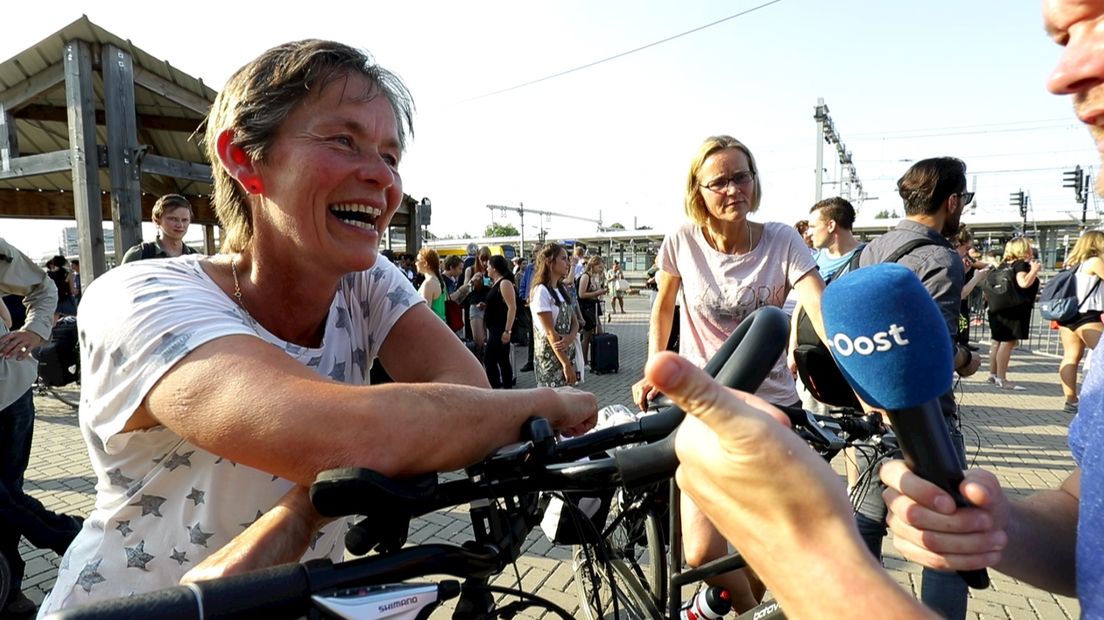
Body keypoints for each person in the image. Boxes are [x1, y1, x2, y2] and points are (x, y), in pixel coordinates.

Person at [38, 40, 596, 613]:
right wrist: (555, 401)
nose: (382, 178)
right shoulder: (142, 297)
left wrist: (308, 506)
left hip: (304, 601)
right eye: (343, 140)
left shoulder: (364, 280)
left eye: (391, 156)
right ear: (245, 158)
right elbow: (351, 437)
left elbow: (466, 391)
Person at [630, 135, 827, 613]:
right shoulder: (682, 240)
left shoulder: (781, 238)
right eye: (719, 181)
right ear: (698, 191)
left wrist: (855, 367)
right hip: (703, 409)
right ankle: (745, 608)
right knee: (699, 552)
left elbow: (817, 304)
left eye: (742, 176)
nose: (733, 188)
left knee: (772, 545)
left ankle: (744, 604)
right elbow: (663, 307)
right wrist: (655, 366)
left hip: (773, 406)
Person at [855, 157, 983, 620]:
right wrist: (969, 360)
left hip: (874, 412)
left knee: (866, 521)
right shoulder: (940, 258)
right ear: (951, 201)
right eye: (964, 200)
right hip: (927, 421)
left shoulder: (870, 251)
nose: (963, 208)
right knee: (947, 542)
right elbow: (935, 350)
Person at [0, 239, 82, 619]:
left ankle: (11, 588)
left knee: (8, 493)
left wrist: (34, 330)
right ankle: (71, 536)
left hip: (8, 394)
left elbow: (42, 287)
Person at [1056, 231, 1104, 414]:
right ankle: (1095, 397)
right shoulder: (1095, 262)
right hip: (1088, 316)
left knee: (1070, 357)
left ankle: (1071, 399)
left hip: (1069, 316)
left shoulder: (1073, 263)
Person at [984, 238, 1041, 390]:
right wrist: (1034, 271)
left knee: (997, 341)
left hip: (997, 308)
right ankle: (1002, 379)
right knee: (1007, 342)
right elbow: (1023, 283)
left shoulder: (1001, 266)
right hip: (1014, 309)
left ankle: (993, 374)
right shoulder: (1020, 265)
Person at [530, 243, 580, 388]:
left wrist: (570, 337)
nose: (568, 263)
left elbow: (575, 322)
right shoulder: (541, 291)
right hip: (550, 361)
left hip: (566, 355)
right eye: (563, 259)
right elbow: (550, 332)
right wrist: (566, 364)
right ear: (550, 262)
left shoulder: (561, 288)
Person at [120, 194, 200, 263]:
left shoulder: (196, 258)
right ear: (156, 221)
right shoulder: (139, 255)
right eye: (173, 219)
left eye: (184, 220)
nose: (180, 225)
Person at [952, 225, 990, 350]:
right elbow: (959, 294)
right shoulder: (949, 263)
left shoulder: (951, 262)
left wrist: (965, 270)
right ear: (957, 244)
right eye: (966, 249)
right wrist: (976, 278)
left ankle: (963, 343)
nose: (966, 254)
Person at [483, 255, 518, 389]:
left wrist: (507, 330)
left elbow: (512, 307)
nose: (487, 268)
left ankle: (498, 388)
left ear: (494, 268)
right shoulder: (497, 283)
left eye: (488, 266)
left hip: (500, 328)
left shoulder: (504, 283)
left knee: (491, 359)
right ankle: (504, 389)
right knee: (501, 359)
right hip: (494, 327)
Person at [577, 256, 607, 367]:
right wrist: (597, 293)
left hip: (593, 307)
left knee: (598, 332)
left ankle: (595, 358)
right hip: (586, 309)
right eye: (599, 267)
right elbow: (581, 294)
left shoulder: (595, 277)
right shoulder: (586, 277)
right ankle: (583, 361)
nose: (601, 269)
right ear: (593, 265)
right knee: (587, 336)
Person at [463, 247, 492, 358]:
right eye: (482, 259)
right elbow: (464, 289)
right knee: (479, 340)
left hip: (489, 306)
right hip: (475, 306)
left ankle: (487, 364)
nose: (484, 263)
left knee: (490, 340)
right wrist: (472, 281)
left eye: (487, 260)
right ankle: (479, 362)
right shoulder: (470, 270)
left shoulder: (491, 270)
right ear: (477, 258)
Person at [415, 247, 446, 322]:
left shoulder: (429, 284)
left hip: (433, 328)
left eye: (418, 260)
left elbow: (424, 315)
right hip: (440, 325)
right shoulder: (438, 280)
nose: (416, 263)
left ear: (425, 263)